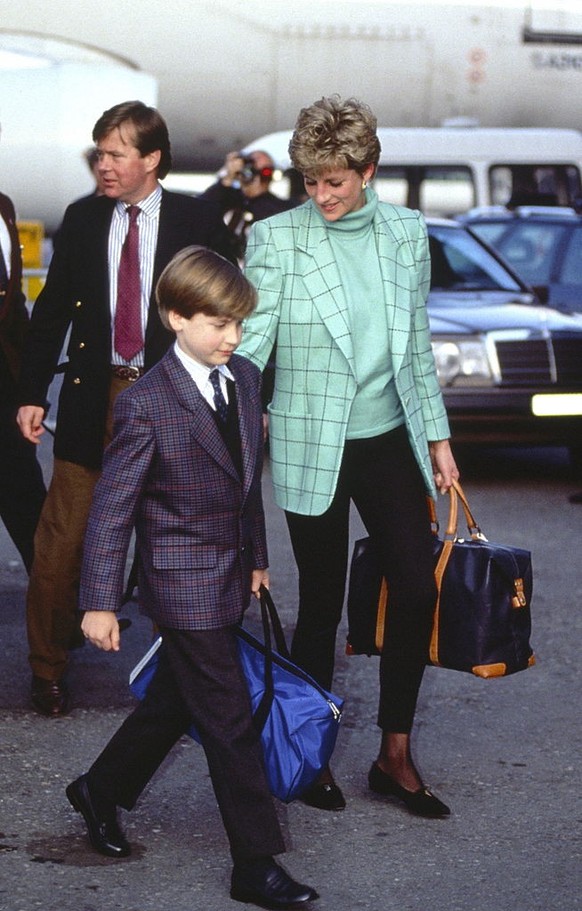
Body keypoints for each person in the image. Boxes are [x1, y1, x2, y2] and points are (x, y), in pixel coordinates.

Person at [66, 246, 318, 911]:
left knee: (179, 698)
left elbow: (244, 485)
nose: (233, 337)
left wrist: (257, 556)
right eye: (217, 323)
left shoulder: (244, 376)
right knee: (230, 717)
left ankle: (100, 787)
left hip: (231, 572)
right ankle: (255, 863)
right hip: (180, 582)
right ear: (176, 316)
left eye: (239, 323)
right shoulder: (147, 403)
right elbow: (112, 511)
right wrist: (98, 602)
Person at [238, 96, 460, 816]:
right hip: (308, 438)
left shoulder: (405, 232)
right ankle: (312, 753)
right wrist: (216, 413)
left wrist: (439, 440)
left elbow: (415, 351)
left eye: (335, 180)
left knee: (418, 587)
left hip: (387, 437)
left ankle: (394, 754)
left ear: (368, 169)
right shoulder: (277, 240)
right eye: (310, 181)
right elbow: (252, 346)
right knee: (321, 605)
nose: (322, 195)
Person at [16, 100, 234, 717]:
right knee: (61, 541)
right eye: (100, 154)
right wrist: (34, 393)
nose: (103, 166)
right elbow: (52, 310)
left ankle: (184, 673)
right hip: (94, 399)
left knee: (176, 538)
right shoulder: (83, 220)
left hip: (169, 398)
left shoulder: (197, 218)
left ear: (151, 158)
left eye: (115, 154)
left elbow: (224, 312)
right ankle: (47, 670)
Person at [0, 181, 46, 572]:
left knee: (28, 506)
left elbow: (14, 304)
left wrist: (32, 382)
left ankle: (57, 624)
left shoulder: (3, 207)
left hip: (6, 385)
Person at [202, 149, 294, 261]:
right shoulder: (226, 197)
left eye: (266, 171)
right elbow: (200, 211)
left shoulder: (281, 208)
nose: (258, 176)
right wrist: (228, 178)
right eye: (251, 165)